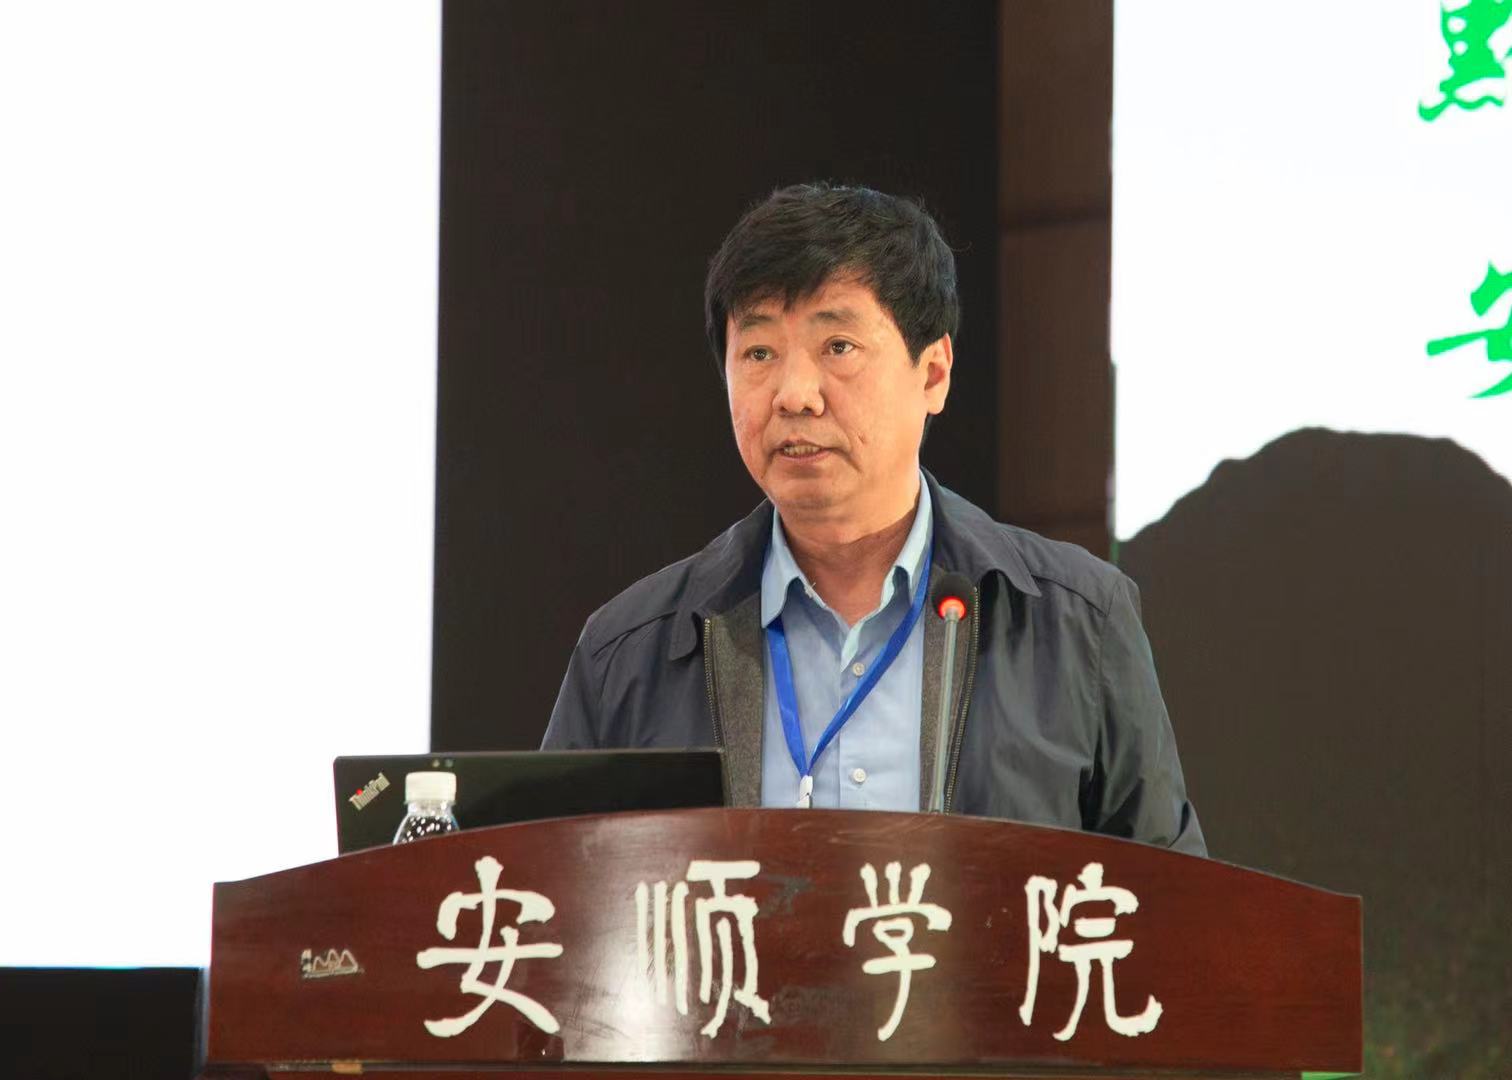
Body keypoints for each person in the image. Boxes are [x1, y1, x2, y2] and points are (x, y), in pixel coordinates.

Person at [542, 182, 1205, 855]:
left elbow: (1175, 900)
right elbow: (548, 893)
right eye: (759, 353)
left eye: (838, 347)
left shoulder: (1075, 621)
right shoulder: (630, 652)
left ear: (933, 373)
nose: (795, 395)